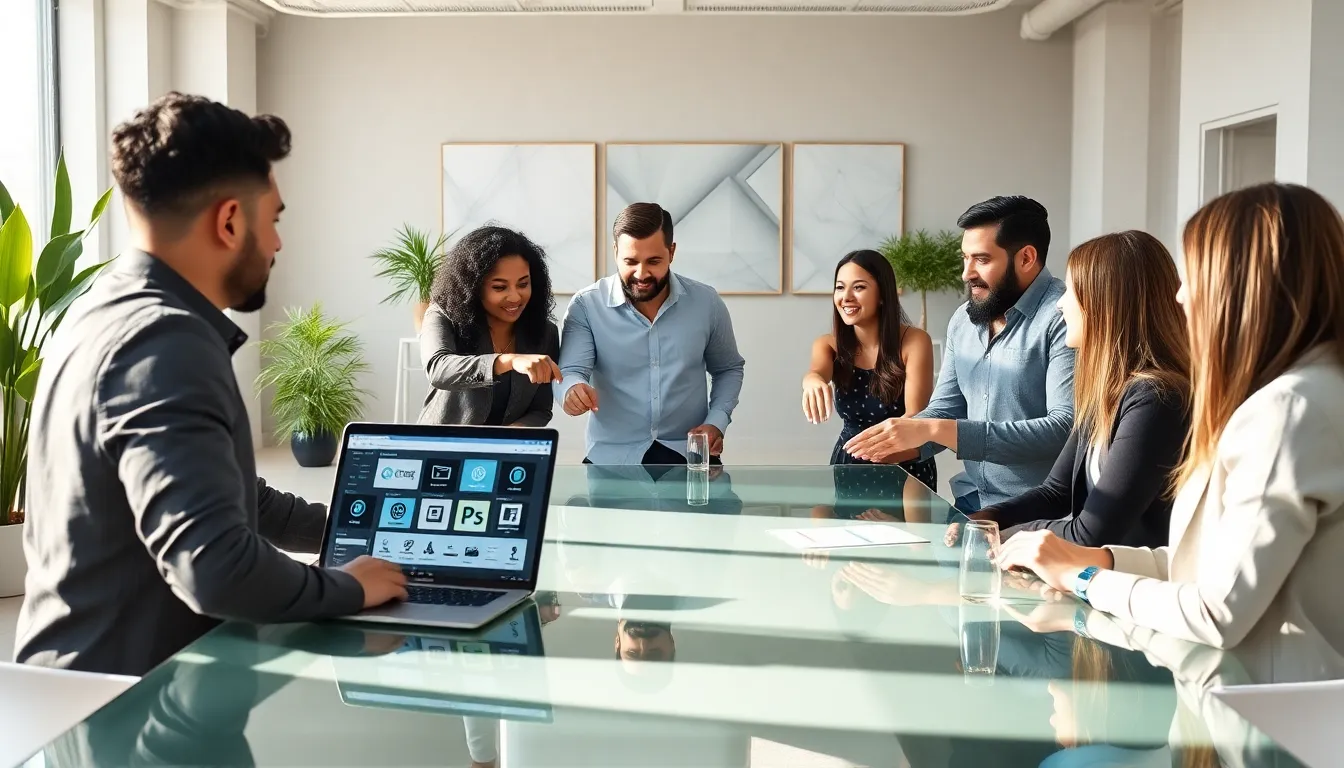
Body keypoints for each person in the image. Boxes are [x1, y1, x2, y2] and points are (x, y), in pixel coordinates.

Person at [14, 92, 407, 677]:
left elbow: (224, 492)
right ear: (229, 221)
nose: (276, 244)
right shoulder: (167, 340)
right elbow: (214, 566)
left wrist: (351, 529)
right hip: (125, 708)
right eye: (273, 220)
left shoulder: (97, 310)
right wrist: (346, 588)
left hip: (78, 679)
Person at [999, 182, 1344, 651]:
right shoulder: (1295, 397)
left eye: (1194, 276)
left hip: (1266, 705)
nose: (1181, 298)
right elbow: (1199, 568)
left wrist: (1082, 577)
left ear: (1244, 285)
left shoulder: (1289, 409)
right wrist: (1096, 560)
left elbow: (1217, 612)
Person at [842, 196, 1075, 512]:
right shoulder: (964, 318)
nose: (966, 273)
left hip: (1041, 510)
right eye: (965, 258)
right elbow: (947, 407)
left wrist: (934, 430)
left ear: (1026, 258)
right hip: (971, 498)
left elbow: (1064, 428)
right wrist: (893, 445)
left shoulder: (1066, 317)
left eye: (981, 259)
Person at [959, 231, 1190, 548]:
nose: (1060, 305)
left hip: (1128, 587)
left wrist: (1001, 535)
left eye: (1072, 292)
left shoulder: (1156, 398)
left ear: (1106, 304)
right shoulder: (1109, 389)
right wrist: (984, 519)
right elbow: (1056, 492)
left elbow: (1091, 533)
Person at [557, 202, 746, 465]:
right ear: (615, 252)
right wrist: (572, 390)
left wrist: (717, 422)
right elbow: (569, 371)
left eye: (653, 261)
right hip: (611, 460)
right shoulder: (586, 305)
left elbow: (728, 368)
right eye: (630, 261)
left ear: (672, 252)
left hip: (690, 456)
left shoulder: (706, 302)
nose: (641, 273)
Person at [802, 249, 937, 489]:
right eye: (840, 287)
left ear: (883, 294)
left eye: (859, 287)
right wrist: (812, 381)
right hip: (849, 463)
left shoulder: (915, 341)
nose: (846, 297)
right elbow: (816, 373)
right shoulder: (828, 344)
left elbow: (915, 419)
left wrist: (879, 453)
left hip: (904, 468)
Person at [418, 225, 561, 427]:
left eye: (523, 284)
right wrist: (508, 360)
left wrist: (506, 438)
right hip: (443, 449)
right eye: (499, 287)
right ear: (473, 286)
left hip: (505, 452)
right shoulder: (442, 315)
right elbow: (439, 369)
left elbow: (541, 409)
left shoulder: (546, 333)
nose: (514, 297)